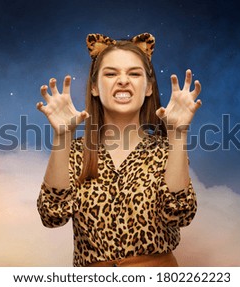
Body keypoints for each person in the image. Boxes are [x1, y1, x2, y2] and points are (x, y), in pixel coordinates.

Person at [36, 33, 202, 267]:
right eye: (111, 73)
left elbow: (180, 214)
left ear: (148, 88)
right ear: (94, 87)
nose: (123, 81)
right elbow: (52, 215)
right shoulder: (74, 152)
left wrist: (178, 134)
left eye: (134, 73)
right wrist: (62, 136)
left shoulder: (166, 150)